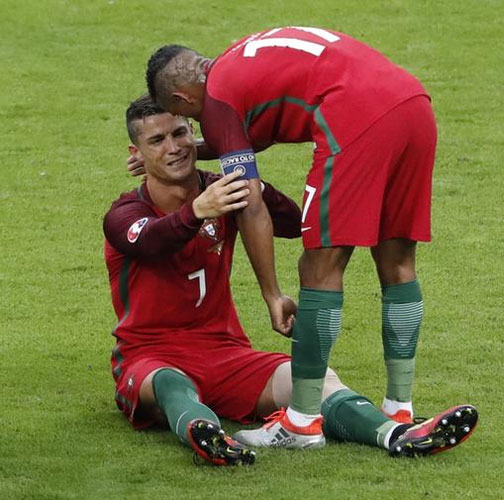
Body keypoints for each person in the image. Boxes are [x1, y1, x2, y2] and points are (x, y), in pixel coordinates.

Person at [105, 94, 478, 465]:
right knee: (173, 384)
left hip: (226, 352)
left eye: (180, 133)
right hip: (148, 356)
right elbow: (151, 241)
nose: (174, 147)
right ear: (136, 152)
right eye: (157, 140)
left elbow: (291, 221)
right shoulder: (125, 213)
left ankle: (398, 435)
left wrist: (250, 183)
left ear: (195, 135)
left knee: (311, 380)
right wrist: (198, 210)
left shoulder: (221, 191)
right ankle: (208, 434)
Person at [143, 26, 448, 447]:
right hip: (412, 103)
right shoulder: (240, 60)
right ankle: (399, 407)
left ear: (181, 100)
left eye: (189, 121)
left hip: (355, 117)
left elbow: (248, 202)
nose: (197, 125)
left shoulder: (216, 100)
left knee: (319, 265)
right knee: (396, 261)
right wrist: (185, 150)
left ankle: (301, 421)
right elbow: (246, 135)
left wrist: (271, 294)